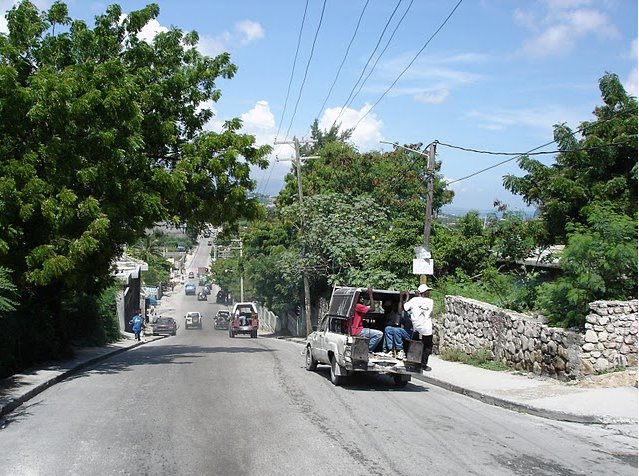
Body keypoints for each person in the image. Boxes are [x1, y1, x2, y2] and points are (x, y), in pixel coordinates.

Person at [403, 283, 434, 371]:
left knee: (414, 344)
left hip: (416, 327)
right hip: (427, 328)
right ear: (425, 292)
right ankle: (423, 364)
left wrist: (407, 297)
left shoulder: (414, 300)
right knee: (428, 346)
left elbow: (405, 308)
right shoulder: (430, 301)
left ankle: (413, 360)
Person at [349, 288, 383, 353]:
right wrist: (371, 295)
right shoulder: (358, 306)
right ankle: (367, 351)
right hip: (357, 330)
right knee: (379, 334)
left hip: (352, 330)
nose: (362, 299)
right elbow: (372, 309)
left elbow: (369, 307)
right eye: (361, 298)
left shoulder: (353, 306)